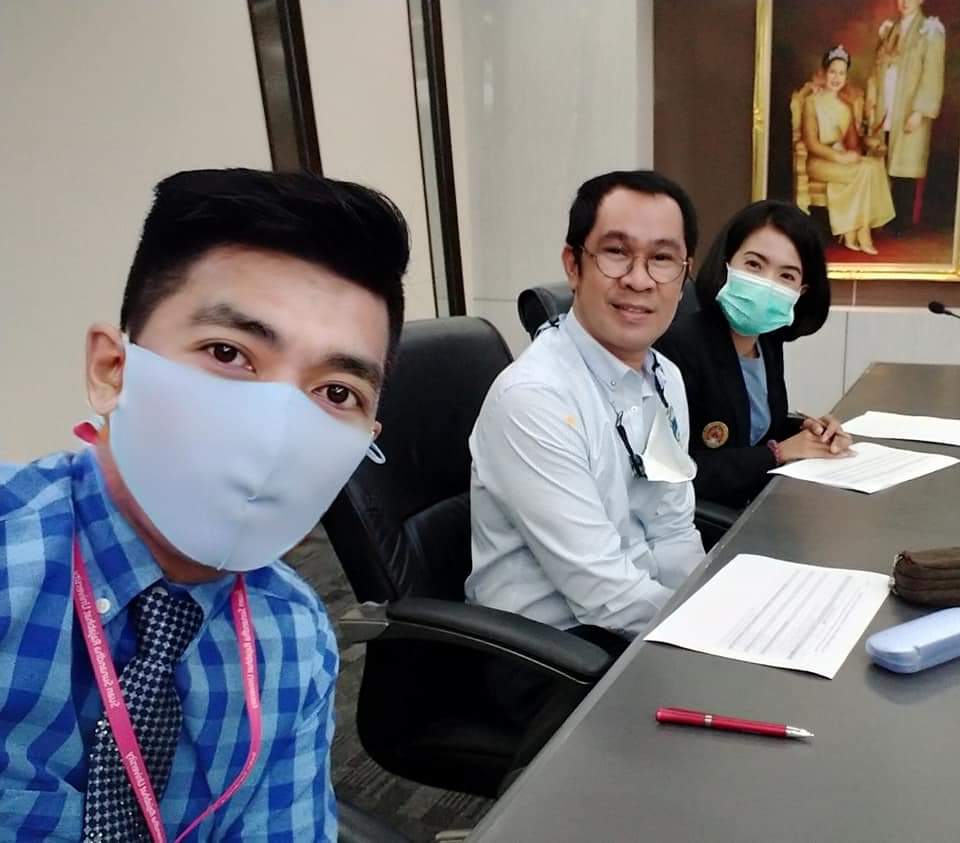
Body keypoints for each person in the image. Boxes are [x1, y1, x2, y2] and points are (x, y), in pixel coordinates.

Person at [0, 168, 409, 841]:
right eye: (229, 353)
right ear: (112, 370)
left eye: (337, 393)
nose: (276, 430)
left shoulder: (293, 637)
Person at [467, 170, 704, 654]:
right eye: (616, 252)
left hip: (639, 622)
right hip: (553, 655)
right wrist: (710, 634)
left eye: (662, 258)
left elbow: (672, 527)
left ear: (683, 277)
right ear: (573, 266)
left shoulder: (664, 377)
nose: (639, 279)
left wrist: (708, 605)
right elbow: (604, 594)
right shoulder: (534, 399)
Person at [656, 199, 850, 511]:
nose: (766, 284)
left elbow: (755, 430)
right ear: (727, 263)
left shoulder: (768, 340)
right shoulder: (677, 346)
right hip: (705, 521)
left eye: (786, 276)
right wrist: (778, 453)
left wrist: (810, 432)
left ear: (801, 292)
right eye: (754, 265)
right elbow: (676, 472)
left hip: (757, 506)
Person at [802, 44, 895, 254]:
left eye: (841, 73)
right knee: (865, 170)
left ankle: (855, 229)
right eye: (833, 72)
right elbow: (811, 144)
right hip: (819, 162)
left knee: (873, 165)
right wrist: (839, 157)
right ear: (824, 73)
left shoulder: (846, 106)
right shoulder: (811, 103)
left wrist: (868, 143)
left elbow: (854, 144)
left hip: (840, 160)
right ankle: (860, 231)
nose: (837, 78)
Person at [867, 0, 946, 233]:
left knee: (906, 164)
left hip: (909, 106)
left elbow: (932, 74)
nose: (904, 3)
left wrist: (919, 111)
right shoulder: (890, 29)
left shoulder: (930, 30)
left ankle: (901, 221)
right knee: (883, 156)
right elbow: (876, 67)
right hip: (887, 103)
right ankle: (882, 215)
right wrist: (872, 97)